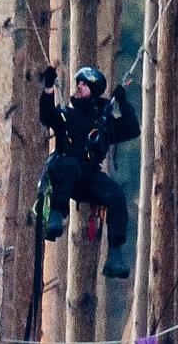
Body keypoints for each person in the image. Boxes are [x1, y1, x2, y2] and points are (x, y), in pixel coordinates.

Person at [38, 64, 139, 278]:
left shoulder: (104, 124)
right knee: (70, 165)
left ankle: (114, 254)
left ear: (93, 91)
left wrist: (123, 102)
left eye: (84, 84)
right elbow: (47, 115)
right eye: (78, 83)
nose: (79, 87)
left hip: (88, 176)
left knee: (116, 195)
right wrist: (48, 88)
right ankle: (56, 216)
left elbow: (131, 129)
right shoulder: (66, 115)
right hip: (65, 171)